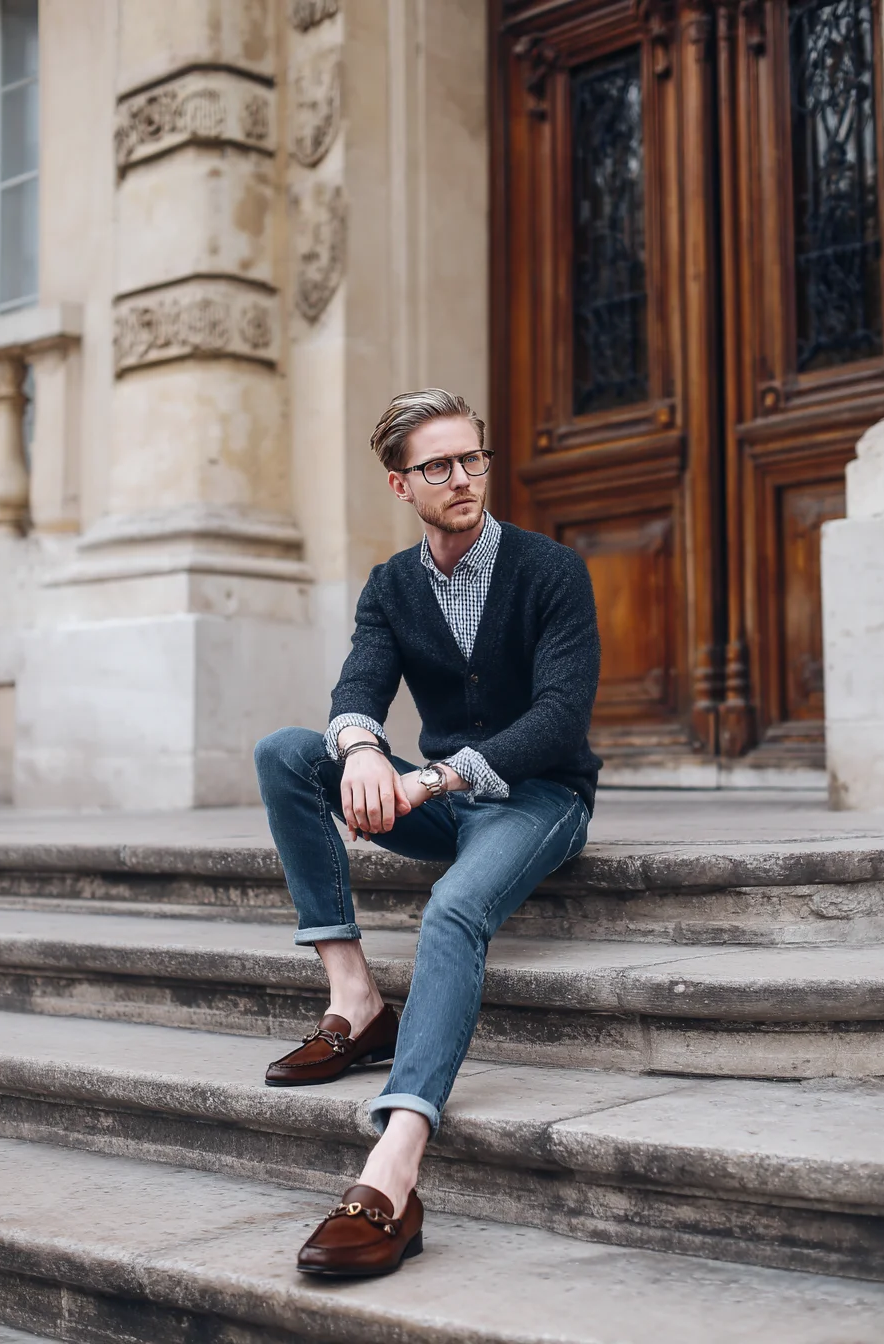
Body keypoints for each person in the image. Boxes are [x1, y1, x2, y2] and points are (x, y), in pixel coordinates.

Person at [254, 388, 601, 1277]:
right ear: (401, 485)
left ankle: (394, 1167)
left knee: (452, 910)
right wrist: (364, 746)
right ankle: (355, 1000)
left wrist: (434, 776)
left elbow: (559, 719)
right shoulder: (391, 586)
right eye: (439, 466)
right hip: (441, 799)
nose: (463, 479)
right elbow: (357, 687)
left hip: (538, 798)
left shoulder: (549, 569)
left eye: (473, 458)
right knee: (289, 752)